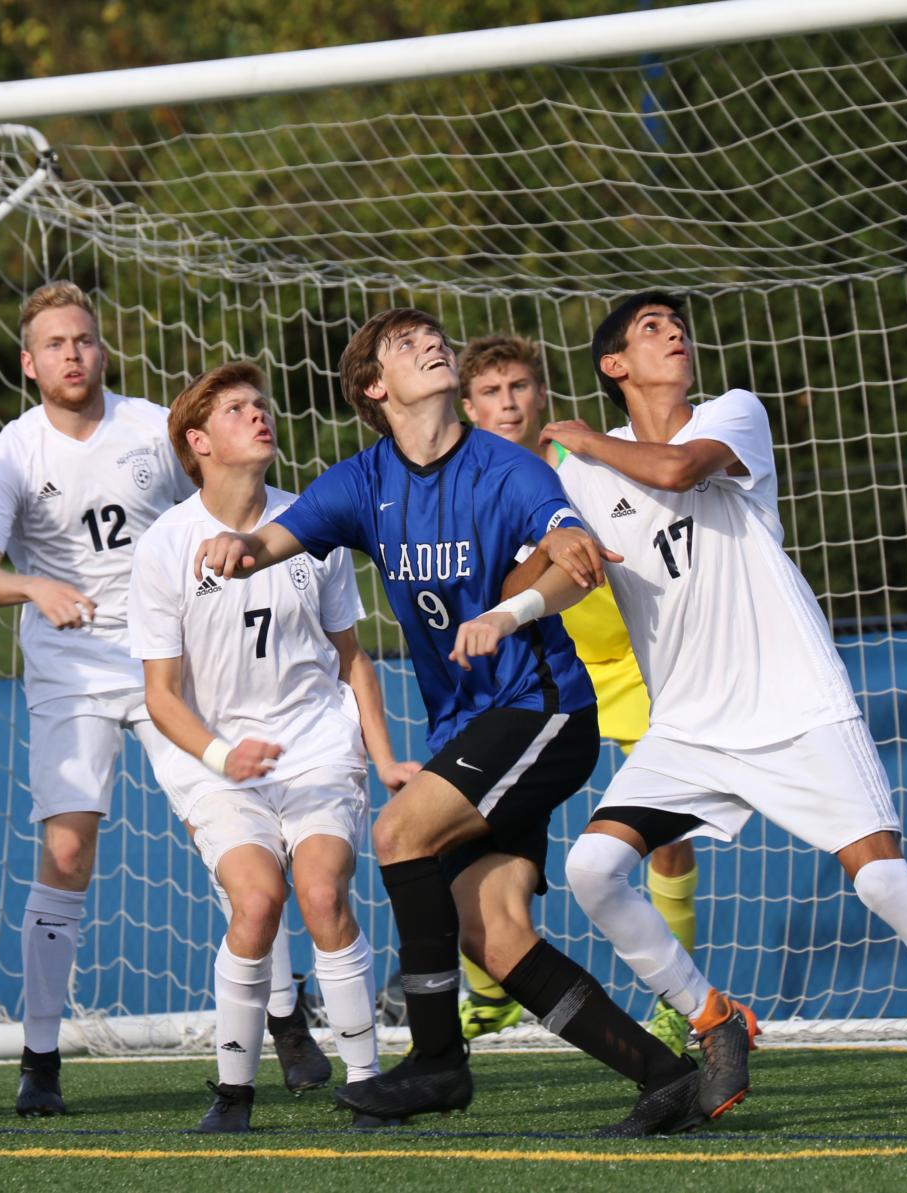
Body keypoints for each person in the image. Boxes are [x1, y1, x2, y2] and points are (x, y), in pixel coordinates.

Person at [535, 291, 907, 1128]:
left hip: (797, 705)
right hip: (690, 728)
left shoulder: (731, 413)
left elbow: (674, 470)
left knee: (882, 879)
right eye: (649, 328)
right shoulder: (579, 476)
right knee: (591, 870)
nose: (674, 333)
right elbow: (559, 572)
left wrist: (573, 435)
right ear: (613, 364)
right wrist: (510, 598)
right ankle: (713, 1017)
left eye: (676, 323)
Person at [194, 309, 705, 1136]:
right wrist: (236, 550)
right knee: (492, 937)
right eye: (405, 344)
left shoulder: (502, 467)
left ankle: (435, 1059)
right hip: (471, 726)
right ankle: (664, 1075)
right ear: (373, 386)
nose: (432, 344)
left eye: (433, 337)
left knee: (397, 832)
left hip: (540, 709)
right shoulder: (361, 482)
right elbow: (272, 540)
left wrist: (568, 540)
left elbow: (560, 527)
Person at [0, 282, 327, 1115]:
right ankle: (39, 1058)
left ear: (101, 349)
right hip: (69, 666)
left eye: (83, 338)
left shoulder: (153, 429)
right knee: (67, 854)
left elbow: (229, 507)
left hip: (175, 659)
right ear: (28, 361)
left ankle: (289, 1017)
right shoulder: (12, 453)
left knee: (243, 838)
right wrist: (31, 587)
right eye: (54, 343)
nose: (72, 353)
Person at [129, 362, 419, 1132]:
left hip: (317, 746)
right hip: (218, 758)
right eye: (236, 409)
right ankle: (232, 1093)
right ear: (199, 441)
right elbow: (160, 695)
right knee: (256, 903)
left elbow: (352, 659)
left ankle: (366, 1083)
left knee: (322, 892)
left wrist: (385, 757)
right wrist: (225, 756)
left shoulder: (310, 526)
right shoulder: (165, 545)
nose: (259, 415)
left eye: (261, 404)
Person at [455, 334, 700, 1056]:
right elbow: (493, 595)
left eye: (520, 387)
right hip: (536, 680)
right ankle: (492, 987)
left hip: (634, 669)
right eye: (492, 392)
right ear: (467, 407)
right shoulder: (465, 491)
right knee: (474, 833)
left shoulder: (581, 464)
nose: (508, 402)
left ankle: (674, 1002)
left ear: (541, 398)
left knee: (667, 839)